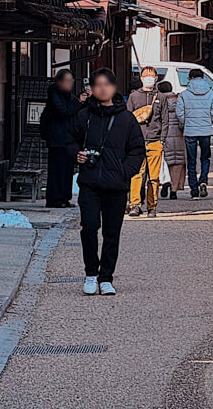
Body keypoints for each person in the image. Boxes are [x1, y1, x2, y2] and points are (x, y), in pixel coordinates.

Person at [70, 68, 145, 296]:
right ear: (92, 89)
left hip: (116, 184)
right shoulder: (84, 116)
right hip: (90, 182)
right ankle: (91, 274)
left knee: (112, 232)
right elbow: (69, 140)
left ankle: (106, 277)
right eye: (97, 85)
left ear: (113, 87)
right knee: (89, 227)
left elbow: (137, 149)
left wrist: (125, 172)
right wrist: (77, 154)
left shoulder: (126, 118)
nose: (102, 88)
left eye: (106, 84)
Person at [126, 67, 164, 217]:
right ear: (141, 78)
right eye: (146, 76)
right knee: (136, 174)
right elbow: (127, 119)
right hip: (137, 142)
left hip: (155, 141)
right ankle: (135, 204)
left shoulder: (161, 97)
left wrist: (163, 140)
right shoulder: (134, 97)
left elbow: (165, 120)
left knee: (153, 177)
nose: (148, 78)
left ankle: (152, 206)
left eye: (151, 76)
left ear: (156, 78)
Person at [41, 68, 81, 208]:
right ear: (60, 81)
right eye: (68, 81)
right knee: (56, 170)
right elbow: (64, 111)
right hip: (57, 138)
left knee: (67, 170)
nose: (70, 83)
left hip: (69, 138)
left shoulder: (69, 95)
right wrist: (79, 102)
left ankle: (64, 197)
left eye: (71, 81)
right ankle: (54, 199)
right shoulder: (54, 93)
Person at [175, 70, 213, 198]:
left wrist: (186, 122)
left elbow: (179, 113)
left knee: (191, 160)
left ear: (190, 78)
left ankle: (194, 189)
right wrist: (208, 120)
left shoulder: (184, 95)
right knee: (205, 158)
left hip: (190, 131)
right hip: (205, 130)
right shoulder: (211, 93)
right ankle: (203, 180)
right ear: (203, 77)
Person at [155, 80, 186, 197]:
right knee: (177, 163)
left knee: (163, 162)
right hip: (178, 136)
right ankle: (174, 190)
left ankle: (165, 181)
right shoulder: (179, 100)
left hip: (164, 135)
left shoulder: (158, 101)